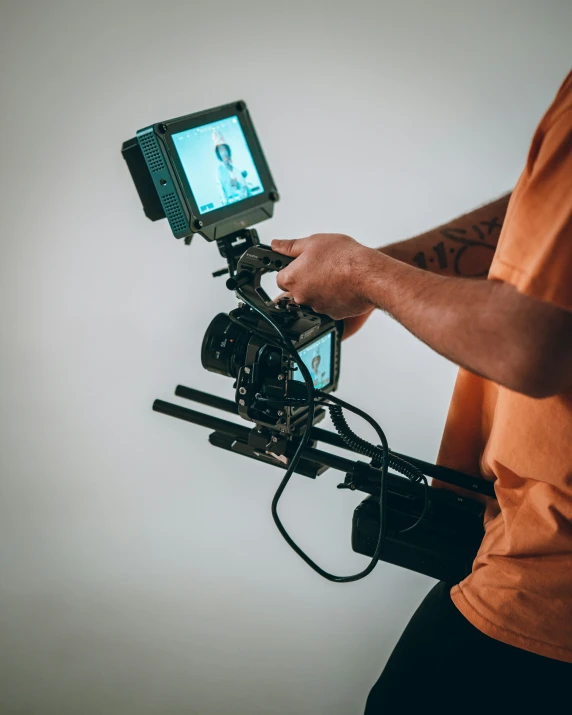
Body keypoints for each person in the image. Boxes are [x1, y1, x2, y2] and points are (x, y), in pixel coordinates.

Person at [271, 69, 572, 710]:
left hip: (549, 589)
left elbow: (534, 345)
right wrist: (392, 266)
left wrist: (364, 274)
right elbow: (542, 224)